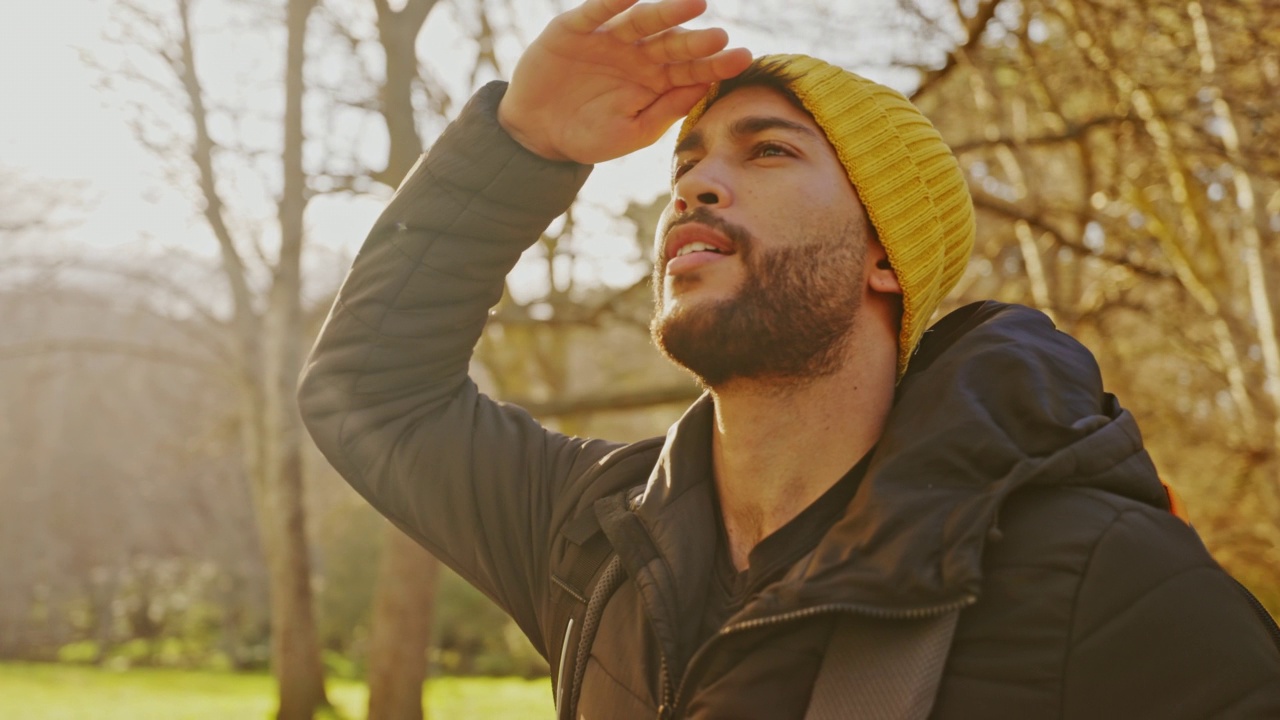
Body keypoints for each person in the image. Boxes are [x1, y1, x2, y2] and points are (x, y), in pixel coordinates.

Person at [297, 0, 1280, 717]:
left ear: (884, 257)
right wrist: (522, 144)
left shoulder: (1100, 581)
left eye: (764, 152)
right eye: (686, 165)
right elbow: (368, 392)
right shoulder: (594, 539)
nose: (696, 188)